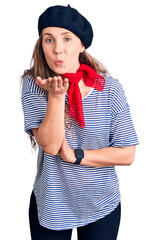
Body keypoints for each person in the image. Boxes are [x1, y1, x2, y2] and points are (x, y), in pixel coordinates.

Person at [21, 5, 139, 240]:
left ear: (82, 45)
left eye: (67, 39)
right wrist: (56, 97)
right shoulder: (33, 84)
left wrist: (77, 156)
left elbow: (127, 154)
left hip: (101, 203)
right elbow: (51, 146)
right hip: (52, 203)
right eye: (49, 40)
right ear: (41, 44)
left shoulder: (108, 89)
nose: (58, 50)